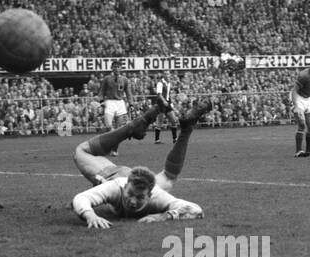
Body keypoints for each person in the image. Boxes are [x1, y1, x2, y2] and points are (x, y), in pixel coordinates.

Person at [71, 97, 214, 229]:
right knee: (168, 177)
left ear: (150, 195)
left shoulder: (156, 195)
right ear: (125, 187)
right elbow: (81, 198)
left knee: (81, 151)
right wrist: (90, 216)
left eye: (140, 197)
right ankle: (185, 130)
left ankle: (142, 123)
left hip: (137, 180)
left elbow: (196, 210)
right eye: (131, 194)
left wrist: (164, 216)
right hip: (113, 175)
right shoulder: (115, 188)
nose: (133, 202)